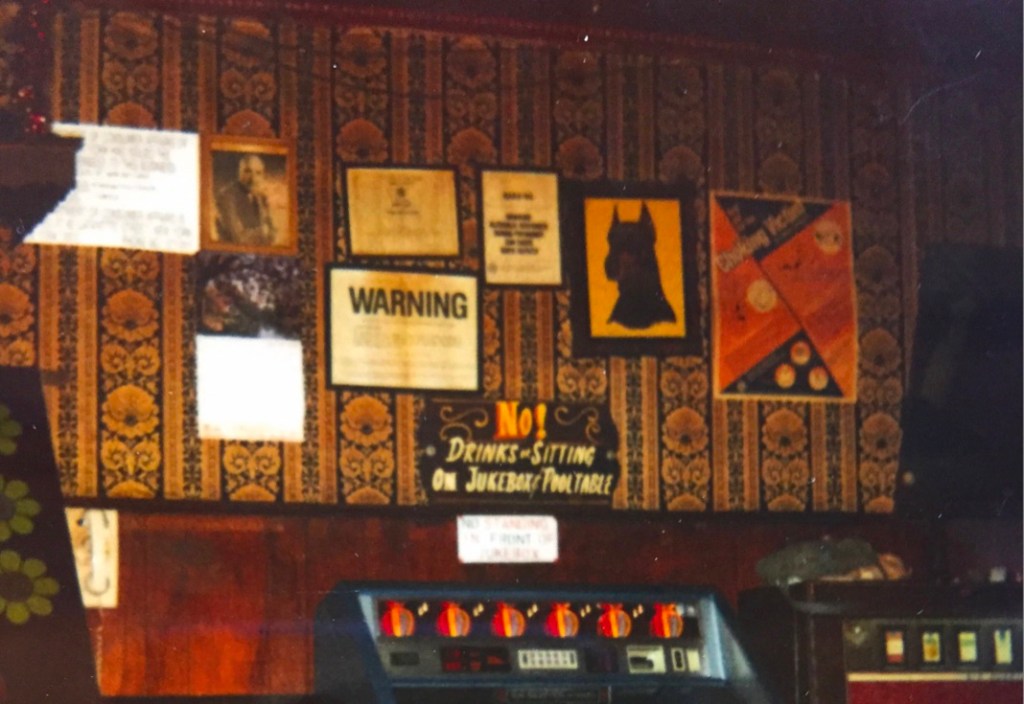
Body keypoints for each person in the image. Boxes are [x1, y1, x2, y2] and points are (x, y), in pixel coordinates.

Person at [214, 153, 277, 245]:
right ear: (239, 172)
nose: (253, 178)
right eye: (248, 171)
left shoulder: (261, 198)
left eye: (258, 173)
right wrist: (263, 232)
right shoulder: (226, 197)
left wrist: (266, 233)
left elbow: (273, 233)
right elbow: (238, 238)